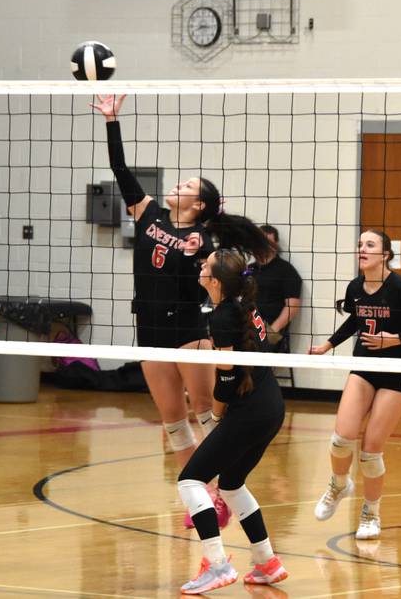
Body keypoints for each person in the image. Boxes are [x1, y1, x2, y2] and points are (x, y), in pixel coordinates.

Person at [92, 94, 273, 529]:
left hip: (190, 330)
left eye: (188, 186)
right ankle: (202, 499)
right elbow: (120, 171)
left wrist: (197, 255)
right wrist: (112, 121)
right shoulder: (148, 212)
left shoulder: (207, 242)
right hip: (149, 328)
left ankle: (220, 489)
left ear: (200, 205)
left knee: (209, 413)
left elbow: (224, 279)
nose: (178, 186)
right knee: (173, 423)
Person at [308, 229, 401, 539]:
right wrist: (326, 346)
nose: (362, 249)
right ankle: (338, 484)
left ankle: (371, 512)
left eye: (370, 245)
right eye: (359, 244)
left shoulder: (400, 288)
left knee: (370, 450)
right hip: (365, 366)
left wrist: (395, 339)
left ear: (385, 255)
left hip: (399, 369)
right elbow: (354, 320)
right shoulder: (356, 286)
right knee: (341, 439)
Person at [177, 248, 288, 594]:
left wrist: (217, 413)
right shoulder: (244, 306)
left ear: (214, 280)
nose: (200, 265)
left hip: (250, 411)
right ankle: (267, 562)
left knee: (190, 481)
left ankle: (219, 566)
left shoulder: (224, 317)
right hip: (270, 406)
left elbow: (227, 376)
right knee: (232, 484)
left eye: (205, 264)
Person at [251, 225, 302, 352]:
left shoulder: (286, 271)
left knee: (258, 364)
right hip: (247, 329)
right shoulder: (249, 270)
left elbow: (292, 306)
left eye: (267, 242)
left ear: (276, 244)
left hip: (271, 330)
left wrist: (272, 331)